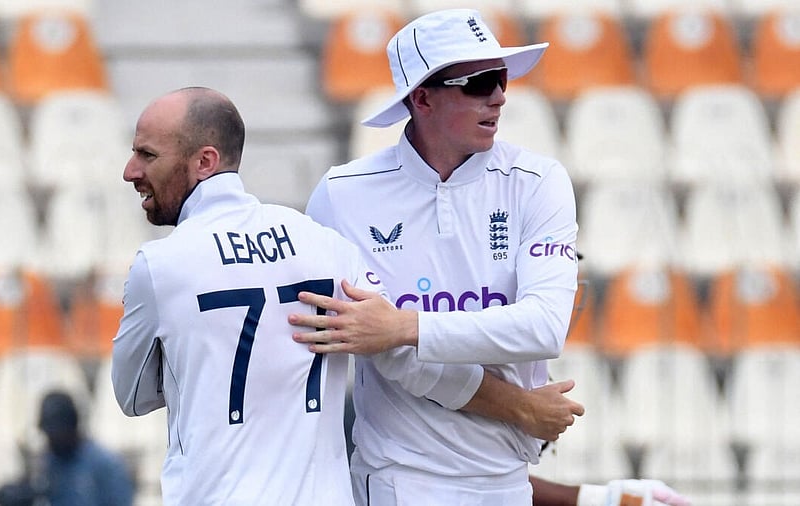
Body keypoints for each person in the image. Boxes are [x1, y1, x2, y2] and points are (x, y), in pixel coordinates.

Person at [289, 9, 691, 506]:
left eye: (501, 77)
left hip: (507, 480)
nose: (501, 95)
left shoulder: (538, 181)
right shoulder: (342, 194)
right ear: (422, 98)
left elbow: (543, 328)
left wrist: (406, 326)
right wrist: (519, 406)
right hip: (398, 478)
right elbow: (388, 354)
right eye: (479, 82)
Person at [110, 86, 388, 505]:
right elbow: (398, 342)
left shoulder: (159, 266)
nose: (130, 171)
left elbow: (132, 398)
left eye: (147, 155)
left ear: (205, 161)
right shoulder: (327, 246)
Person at [0, 390, 135, 506]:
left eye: (55, 433)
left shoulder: (106, 465)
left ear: (72, 426)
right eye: (48, 434)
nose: (50, 440)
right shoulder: (50, 460)